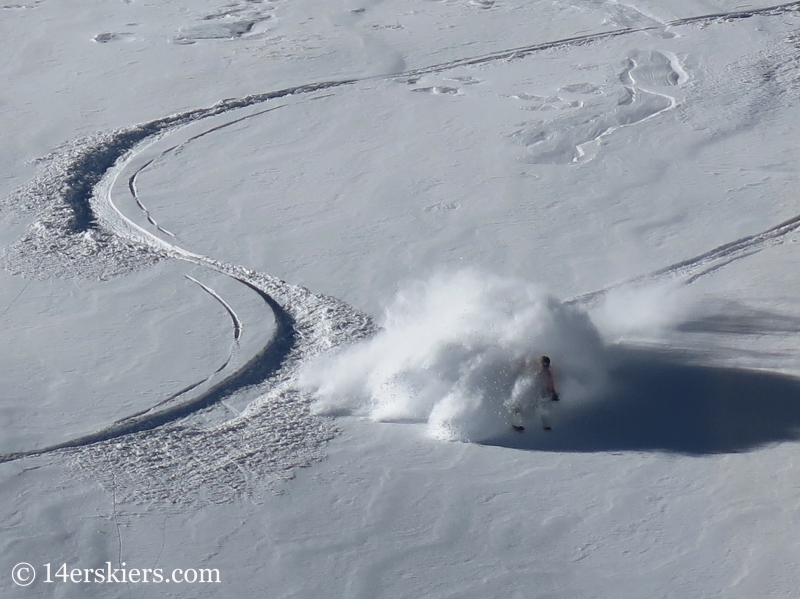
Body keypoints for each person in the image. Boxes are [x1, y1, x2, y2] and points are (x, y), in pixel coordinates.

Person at [507, 355, 559, 432]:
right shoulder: (533, 368)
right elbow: (523, 372)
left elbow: (550, 383)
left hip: (539, 392)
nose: (545, 366)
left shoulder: (547, 373)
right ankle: (516, 420)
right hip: (529, 389)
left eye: (547, 365)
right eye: (544, 364)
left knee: (541, 406)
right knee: (522, 403)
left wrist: (553, 393)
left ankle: (545, 425)